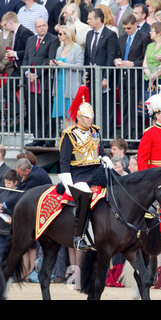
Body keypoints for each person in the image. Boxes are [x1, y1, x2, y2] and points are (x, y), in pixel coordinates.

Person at [58, 85, 110, 251]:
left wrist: (106, 159)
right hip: (78, 173)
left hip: (96, 171)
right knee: (84, 195)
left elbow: (100, 151)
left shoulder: (95, 131)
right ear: (79, 117)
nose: (90, 120)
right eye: (87, 117)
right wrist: (68, 181)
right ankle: (78, 236)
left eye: (91, 117)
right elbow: (64, 160)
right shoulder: (69, 134)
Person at [114, 14, 151, 144]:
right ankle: (126, 134)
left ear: (135, 24)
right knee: (124, 107)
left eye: (129, 28)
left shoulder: (144, 37)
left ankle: (135, 136)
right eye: (124, 28)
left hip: (136, 78)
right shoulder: (122, 38)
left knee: (134, 107)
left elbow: (146, 58)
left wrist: (133, 64)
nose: (127, 30)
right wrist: (116, 60)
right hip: (123, 77)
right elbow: (118, 54)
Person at [23, 18, 59, 147]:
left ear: (47, 26)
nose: (42, 28)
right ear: (35, 28)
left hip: (44, 81)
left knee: (46, 111)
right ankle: (37, 137)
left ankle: (49, 139)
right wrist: (27, 73)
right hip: (30, 82)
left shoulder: (53, 40)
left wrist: (37, 74)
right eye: (39, 26)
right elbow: (26, 58)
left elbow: (49, 60)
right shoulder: (31, 40)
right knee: (34, 110)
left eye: (44, 25)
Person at [84, 8, 118, 140]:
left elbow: (110, 57)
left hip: (104, 79)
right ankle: (94, 136)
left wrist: (106, 77)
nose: (87, 21)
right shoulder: (89, 34)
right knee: (93, 108)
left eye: (90, 18)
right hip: (92, 77)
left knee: (106, 109)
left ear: (98, 19)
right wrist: (86, 72)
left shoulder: (110, 35)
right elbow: (88, 55)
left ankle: (107, 138)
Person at [50, 25, 84, 129]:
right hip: (60, 84)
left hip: (71, 85)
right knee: (64, 114)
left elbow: (80, 66)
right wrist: (53, 64)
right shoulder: (60, 49)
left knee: (72, 114)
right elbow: (57, 63)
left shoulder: (77, 48)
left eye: (60, 34)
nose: (58, 36)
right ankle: (67, 138)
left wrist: (65, 65)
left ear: (67, 35)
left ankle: (74, 138)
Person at [143, 21, 161, 100]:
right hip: (147, 78)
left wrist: (154, 76)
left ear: (159, 33)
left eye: (152, 31)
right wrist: (150, 76)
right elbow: (145, 63)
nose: (150, 32)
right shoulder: (150, 45)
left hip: (160, 79)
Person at [0, 169, 18, 256]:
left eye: (9, 183)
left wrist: (4, 209)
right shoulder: (2, 194)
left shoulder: (18, 194)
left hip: (11, 229)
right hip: (1, 228)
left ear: (16, 182)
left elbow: (16, 210)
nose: (6, 185)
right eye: (5, 183)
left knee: (9, 254)